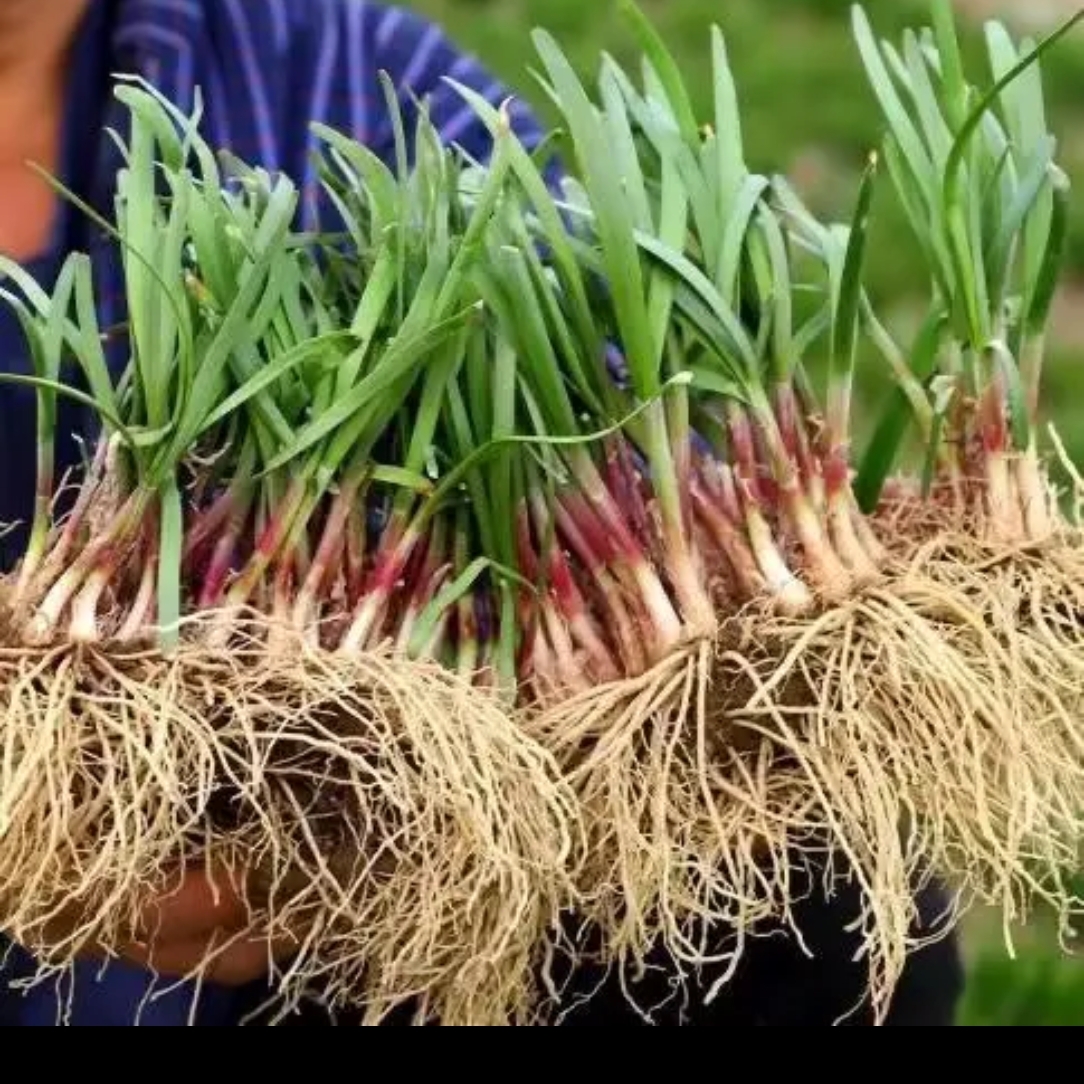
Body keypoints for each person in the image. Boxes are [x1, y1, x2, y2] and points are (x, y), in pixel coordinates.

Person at [0, 0, 965, 1026]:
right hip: (110, 802)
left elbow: (601, 382)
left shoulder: (329, 66)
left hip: (284, 827)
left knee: (812, 901)